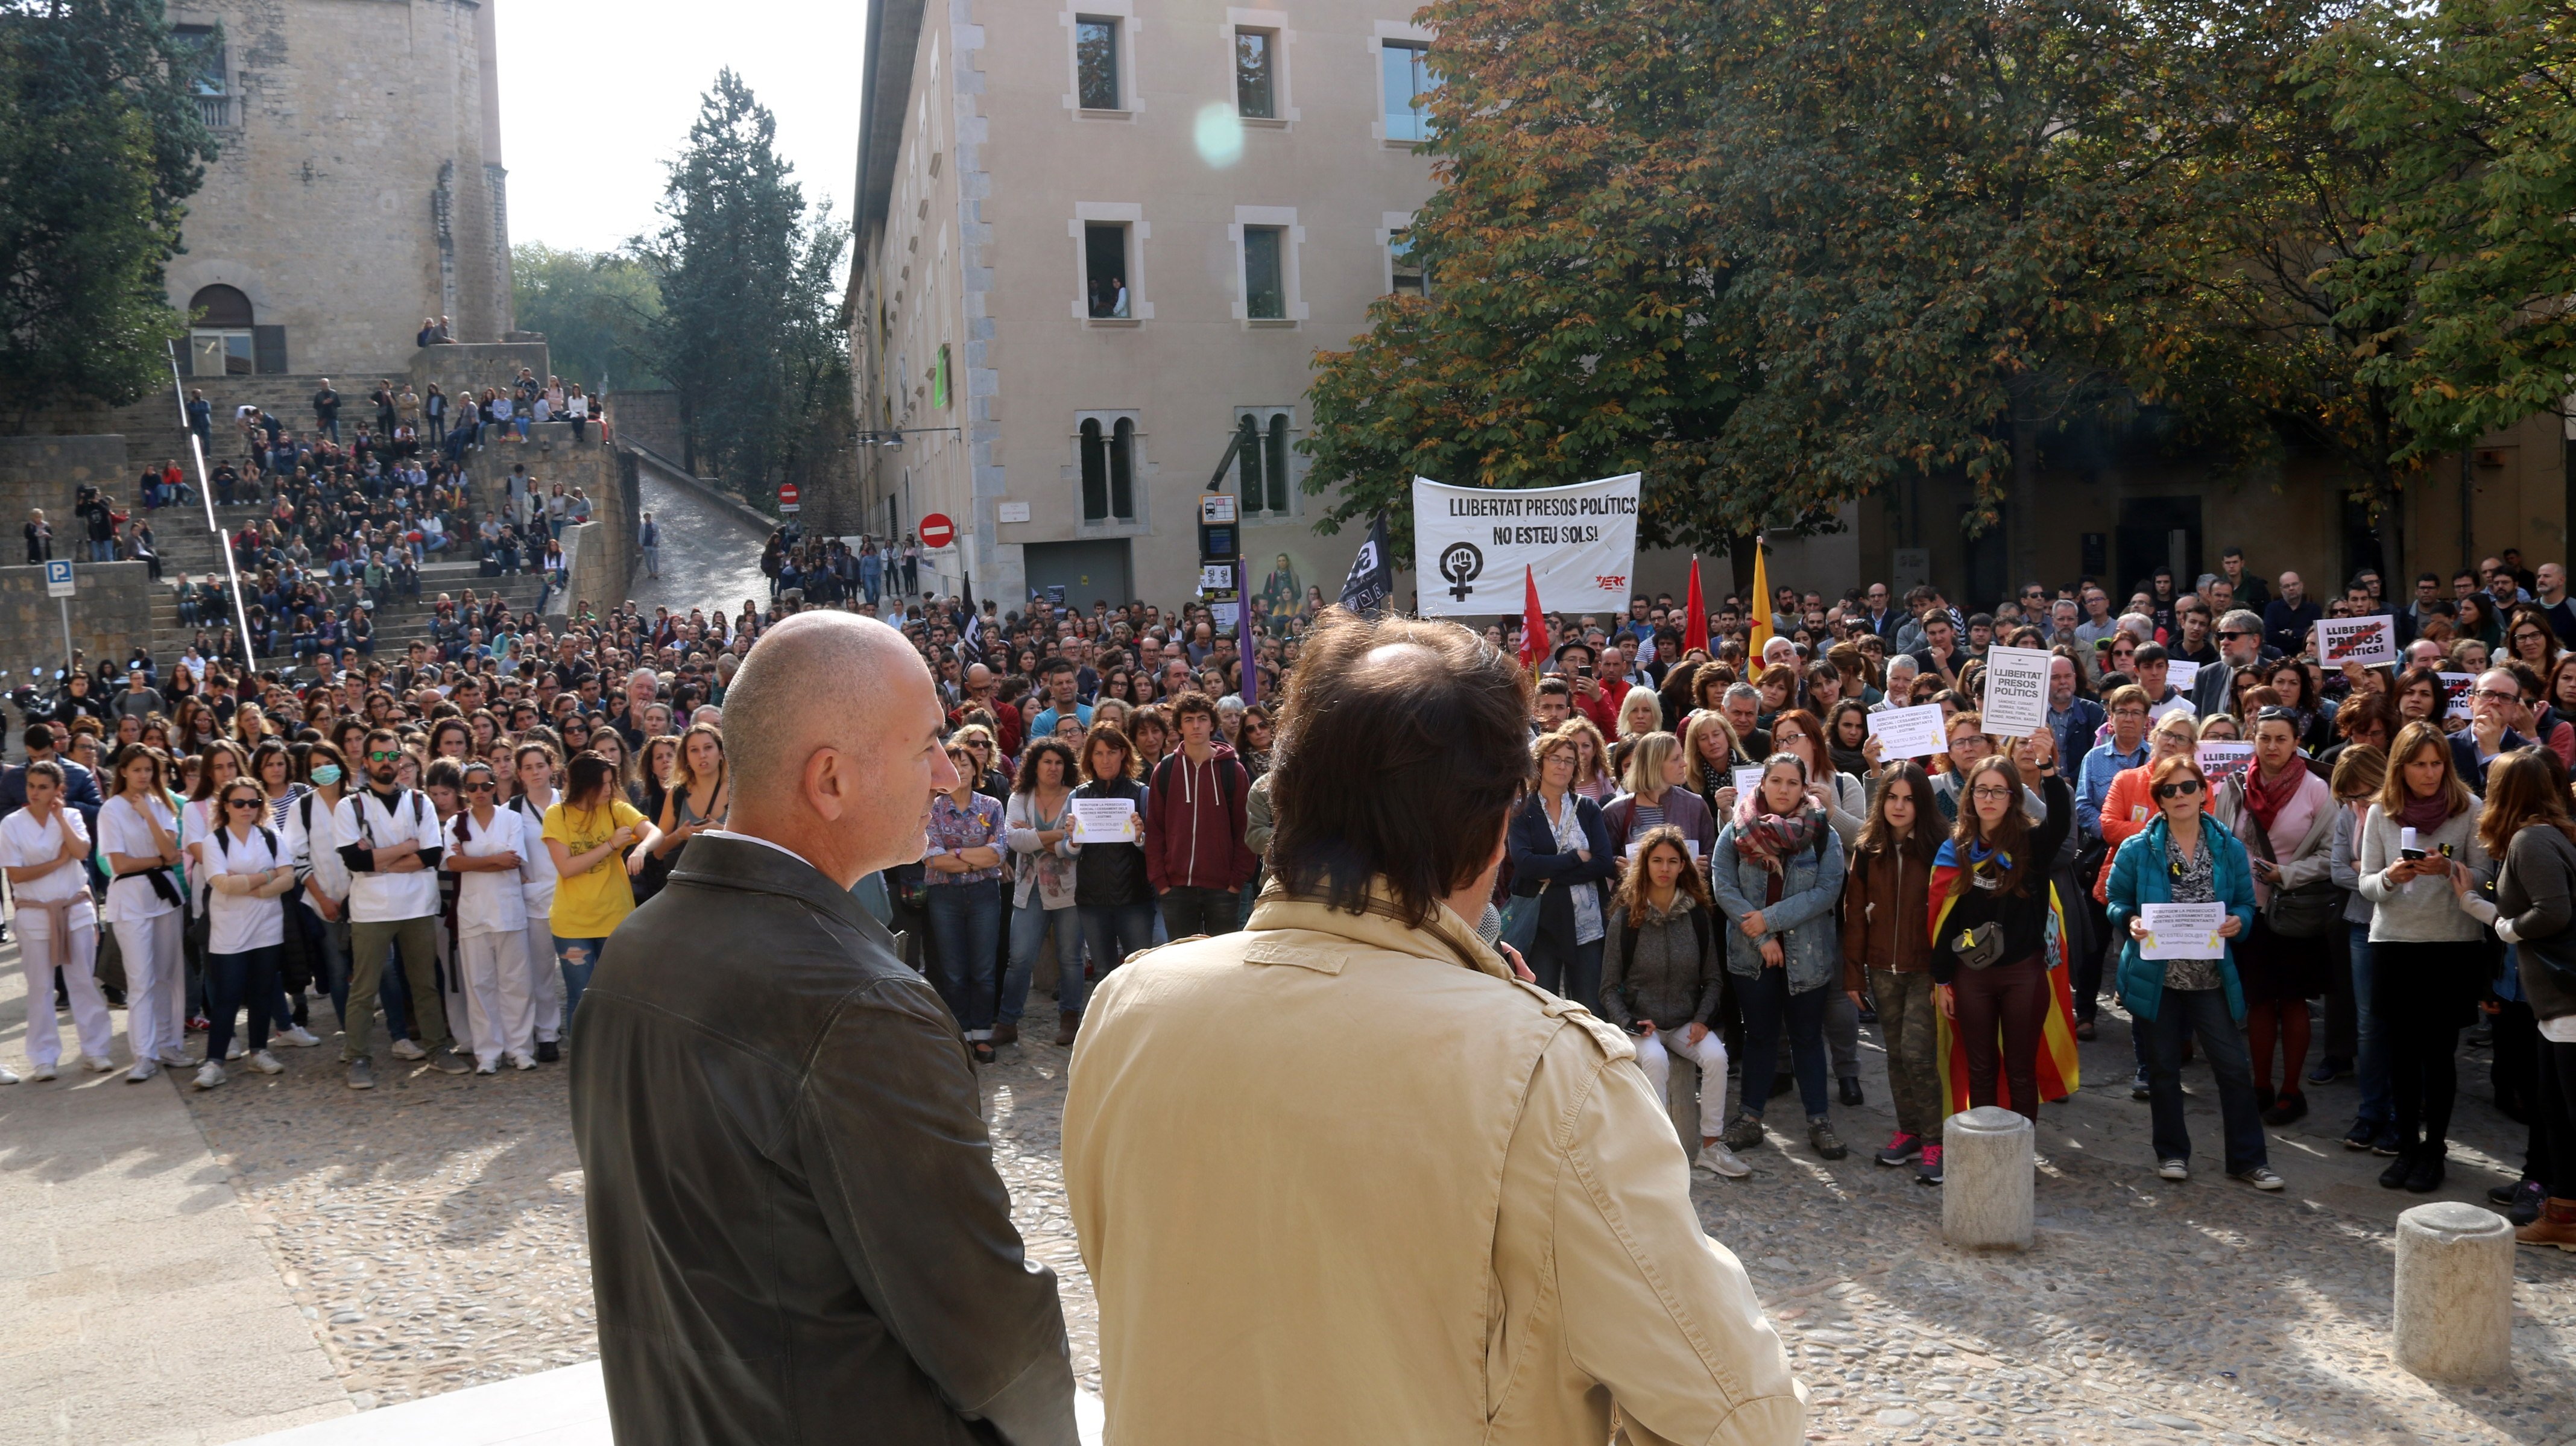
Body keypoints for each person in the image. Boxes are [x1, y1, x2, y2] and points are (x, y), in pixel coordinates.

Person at [1061, 611, 1802, 1442]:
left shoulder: (1128, 1006)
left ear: (1289, 802)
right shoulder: (1550, 1069)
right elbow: (1740, 1417)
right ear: (1490, 832)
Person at [570, 611, 1078, 1444]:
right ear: (831, 780)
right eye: (927, 746)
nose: (950, 774)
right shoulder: (865, 1007)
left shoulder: (632, 952)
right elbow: (991, 1336)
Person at [2107, 753, 2284, 1189]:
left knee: (2232, 1067)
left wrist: (2239, 921)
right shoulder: (2136, 848)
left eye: (2188, 787)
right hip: (2157, 975)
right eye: (2170, 790)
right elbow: (2115, 901)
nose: (2180, 795)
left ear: (2205, 792)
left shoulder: (2226, 845)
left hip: (2210, 975)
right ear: (2159, 799)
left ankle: (2248, 1160)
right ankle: (2171, 1153)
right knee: (2164, 1068)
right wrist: (2128, 920)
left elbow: (2245, 901)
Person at [2443, 749, 2576, 1248]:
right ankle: (2563, 1216)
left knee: (2567, 1111)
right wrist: (2473, 901)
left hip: (2566, 997)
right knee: (2554, 1110)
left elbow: (2552, 913)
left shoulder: (2530, 839)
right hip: (2555, 1002)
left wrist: (2505, 926)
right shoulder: (2545, 836)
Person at [2355, 720, 2492, 1193]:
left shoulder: (2470, 808)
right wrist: (2393, 876)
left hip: (2451, 946)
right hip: (2394, 943)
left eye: (2437, 764)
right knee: (2401, 1054)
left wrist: (2449, 867)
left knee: (2439, 1056)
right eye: (2419, 765)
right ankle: (2408, 1146)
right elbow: (2367, 884)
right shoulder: (2381, 813)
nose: (2430, 773)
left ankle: (2435, 1149)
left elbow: (2486, 875)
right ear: (2402, 767)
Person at [1711, 751, 1850, 1161]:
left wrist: (1770, 919)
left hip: (1807, 955)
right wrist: (1761, 937)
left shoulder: (1824, 833)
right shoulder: (1738, 828)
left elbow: (1826, 891)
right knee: (1759, 1036)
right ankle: (1751, 1117)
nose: (1784, 790)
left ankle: (1819, 1121)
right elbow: (1724, 886)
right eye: (1777, 782)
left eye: (1793, 783)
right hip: (1753, 955)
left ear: (1804, 788)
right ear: (1764, 784)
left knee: (1807, 1038)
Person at [1928, 750, 2073, 1126]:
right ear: (1970, 796)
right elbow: (1944, 921)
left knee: (2021, 1070)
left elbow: (2059, 823)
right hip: (1971, 975)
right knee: (1981, 1070)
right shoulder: (1954, 849)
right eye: (1982, 791)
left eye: (1999, 791)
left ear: (2014, 797)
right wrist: (1942, 980)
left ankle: (2019, 1160)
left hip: (2022, 974)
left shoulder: (2032, 846)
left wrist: (2049, 772)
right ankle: (1985, 1153)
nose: (1989, 799)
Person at [2214, 707, 2338, 1125]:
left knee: (2293, 1001)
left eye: (2281, 739)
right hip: (2249, 911)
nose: (2272, 747)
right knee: (2259, 1001)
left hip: (2296, 910)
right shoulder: (2233, 787)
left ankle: (2291, 1090)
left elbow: (2331, 857)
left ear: (2296, 741)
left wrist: (2289, 873)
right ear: (2253, 738)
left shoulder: (2317, 790)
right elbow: (2218, 841)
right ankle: (2261, 1085)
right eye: (2264, 738)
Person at [1603, 826, 1749, 1178]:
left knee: (1716, 1056)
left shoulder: (1697, 915)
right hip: (1642, 1025)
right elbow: (1608, 988)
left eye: (1672, 860)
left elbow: (1713, 978)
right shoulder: (1626, 918)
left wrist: (1702, 1019)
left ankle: (1711, 1147)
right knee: (1655, 1062)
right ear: (1644, 865)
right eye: (1656, 861)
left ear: (1683, 865)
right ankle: (1657, 1155)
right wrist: (1629, 1023)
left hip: (1686, 1021)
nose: (1664, 868)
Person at [336, 727, 473, 1087]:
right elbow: (354, 861)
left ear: (401, 758)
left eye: (392, 755)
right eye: (378, 756)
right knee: (365, 988)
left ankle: (436, 1049)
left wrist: (378, 860)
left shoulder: (420, 802)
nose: (386, 762)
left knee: (425, 984)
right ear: (365, 762)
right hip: (371, 911)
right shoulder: (350, 805)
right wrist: (403, 848)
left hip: (416, 907)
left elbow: (430, 854)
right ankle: (358, 1057)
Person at [1842, 760, 1943, 1181]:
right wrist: (1853, 975)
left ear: (1921, 804)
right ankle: (1910, 1131)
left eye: (1909, 799)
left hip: (1925, 968)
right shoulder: (1869, 850)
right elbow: (1855, 915)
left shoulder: (1941, 847)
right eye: (1892, 798)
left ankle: (1937, 1138)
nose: (1899, 807)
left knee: (1920, 1055)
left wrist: (1946, 974)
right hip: (1883, 966)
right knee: (1897, 1056)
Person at [1, 761, 113, 1078]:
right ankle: (43, 1057)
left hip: (75, 908)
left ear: (57, 790)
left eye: (43, 787)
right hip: (34, 912)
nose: (35, 793)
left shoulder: (73, 816)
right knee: (40, 987)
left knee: (83, 982)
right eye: (31, 786)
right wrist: (56, 861)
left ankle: (96, 1050)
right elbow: (17, 873)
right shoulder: (11, 824)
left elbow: (80, 852)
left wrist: (61, 817)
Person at [543, 751, 660, 1043]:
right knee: (580, 999)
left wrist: (641, 849)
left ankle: (612, 1059)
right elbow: (567, 868)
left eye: (611, 782)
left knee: (617, 998)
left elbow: (654, 832)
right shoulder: (557, 814)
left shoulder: (616, 808)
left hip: (614, 919)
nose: (609, 789)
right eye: (603, 784)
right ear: (584, 785)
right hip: (572, 924)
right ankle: (582, 1063)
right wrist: (610, 845)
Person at [1506, 728, 1618, 1011]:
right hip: (1543, 925)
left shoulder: (1588, 808)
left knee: (1591, 1008)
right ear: (1540, 764)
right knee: (1543, 1007)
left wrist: (1551, 873)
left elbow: (1604, 862)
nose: (1562, 765)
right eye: (1555, 758)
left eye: (1569, 760)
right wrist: (1576, 858)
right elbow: (1525, 864)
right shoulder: (1522, 811)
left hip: (1588, 924)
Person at [194, 777, 296, 1090]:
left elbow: (289, 878)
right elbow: (223, 884)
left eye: (253, 802)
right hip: (229, 930)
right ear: (226, 806)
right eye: (239, 802)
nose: (246, 809)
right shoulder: (215, 841)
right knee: (227, 996)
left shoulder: (270, 835)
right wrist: (267, 877)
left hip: (267, 926)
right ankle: (214, 1062)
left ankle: (259, 1051)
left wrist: (252, 886)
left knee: (262, 992)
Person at [100, 743, 188, 1081]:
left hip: (164, 895)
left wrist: (149, 815)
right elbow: (119, 863)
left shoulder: (160, 805)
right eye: (137, 769)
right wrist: (160, 860)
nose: (143, 776)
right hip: (131, 899)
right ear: (123, 771)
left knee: (169, 974)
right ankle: (144, 1054)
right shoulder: (111, 809)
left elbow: (171, 849)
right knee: (140, 980)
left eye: (149, 770)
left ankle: (169, 1044)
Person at [446, 760, 537, 1073]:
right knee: (479, 985)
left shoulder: (511, 818)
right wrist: (493, 859)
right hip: (473, 914)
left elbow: (513, 861)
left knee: (516, 982)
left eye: (486, 786)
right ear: (465, 791)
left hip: (508, 910)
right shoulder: (455, 824)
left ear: (495, 786)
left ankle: (520, 1048)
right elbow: (453, 865)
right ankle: (488, 1052)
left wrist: (472, 860)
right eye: (472, 787)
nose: (480, 792)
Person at [1141, 691, 1255, 939]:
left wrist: (1237, 881)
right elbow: (1155, 829)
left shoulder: (1232, 770)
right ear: (1179, 727)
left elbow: (1245, 828)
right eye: (1189, 719)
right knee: (1182, 965)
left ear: (1212, 724)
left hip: (1223, 888)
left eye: (1202, 719)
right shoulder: (1166, 769)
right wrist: (1161, 881)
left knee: (1222, 966)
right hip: (1176, 888)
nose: (1196, 725)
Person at [1065, 722, 1153, 1046]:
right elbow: (1068, 851)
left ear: (1123, 755)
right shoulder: (1079, 796)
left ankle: (1140, 1034)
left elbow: (1154, 847)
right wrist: (1073, 839)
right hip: (1092, 900)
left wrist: (1141, 836)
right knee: (1103, 973)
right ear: (1090, 758)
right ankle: (1107, 1038)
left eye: (1112, 753)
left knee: (1139, 969)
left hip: (1134, 898)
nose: (1105, 760)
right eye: (1098, 754)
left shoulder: (1140, 793)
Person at [924, 739, 1009, 1063]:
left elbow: (998, 853)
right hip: (944, 895)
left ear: (977, 770)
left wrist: (956, 854)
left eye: (966, 764)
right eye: (954, 763)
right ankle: (961, 1033)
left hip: (984, 894)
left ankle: (982, 1035)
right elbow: (931, 858)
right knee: (954, 970)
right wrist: (977, 859)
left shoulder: (992, 807)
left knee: (984, 969)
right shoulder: (932, 808)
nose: (960, 770)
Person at [1002, 737, 1084, 1049]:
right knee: (1020, 958)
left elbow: (1074, 848)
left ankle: (1070, 1021)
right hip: (1029, 889)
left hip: (1069, 891)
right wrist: (1059, 834)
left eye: (1059, 762)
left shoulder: (1077, 797)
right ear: (1035, 766)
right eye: (1047, 762)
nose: (1053, 768)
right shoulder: (1020, 797)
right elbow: (1014, 840)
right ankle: (1008, 1022)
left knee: (1071, 959)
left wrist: (1035, 835)